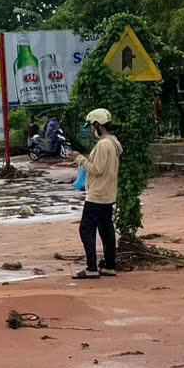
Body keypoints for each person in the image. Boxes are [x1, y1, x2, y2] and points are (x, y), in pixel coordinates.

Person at [76, 107, 122, 279]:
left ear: (97, 125)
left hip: (97, 194)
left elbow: (97, 169)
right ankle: (110, 265)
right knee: (106, 229)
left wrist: (80, 159)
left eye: (92, 126)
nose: (91, 129)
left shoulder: (103, 144)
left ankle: (91, 267)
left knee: (86, 229)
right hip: (108, 193)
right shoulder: (114, 143)